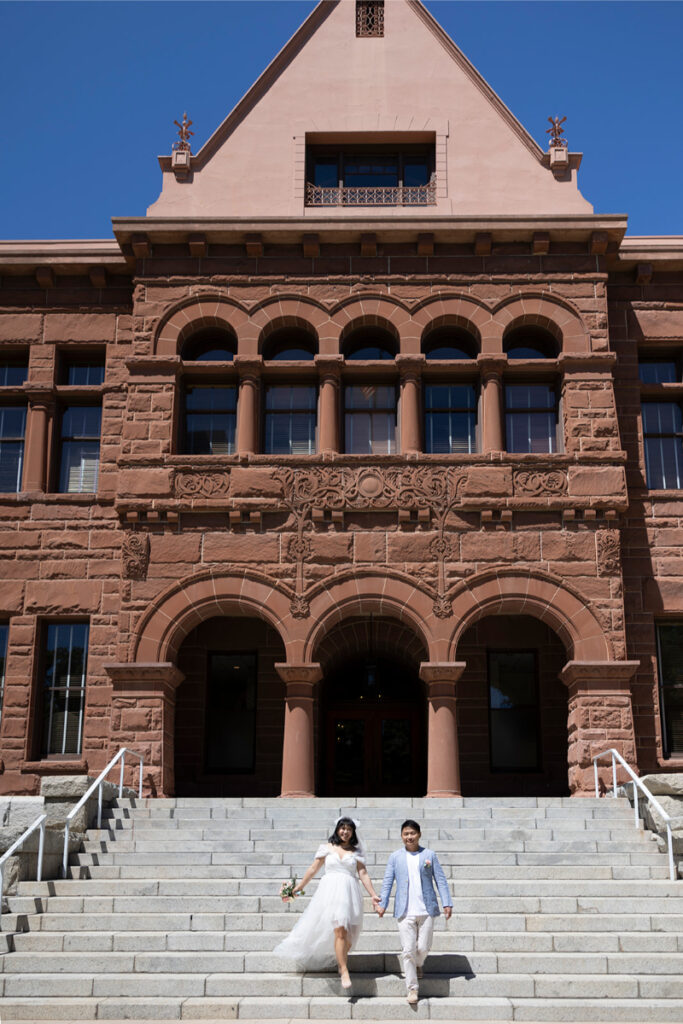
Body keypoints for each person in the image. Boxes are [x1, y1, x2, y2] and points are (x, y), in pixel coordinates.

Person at [273, 816, 382, 989]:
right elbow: (313, 868)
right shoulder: (326, 848)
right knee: (339, 929)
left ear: (353, 832)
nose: (345, 832)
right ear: (337, 829)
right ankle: (344, 969)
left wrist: (374, 894)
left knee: (348, 936)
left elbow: (363, 874)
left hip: (349, 891)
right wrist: (298, 887)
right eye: (342, 828)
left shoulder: (356, 852)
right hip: (330, 892)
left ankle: (341, 961)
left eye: (349, 829)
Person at [377, 818, 453, 1005]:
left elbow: (440, 880)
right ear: (401, 836)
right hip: (405, 910)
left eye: (412, 833)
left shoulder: (429, 855)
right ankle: (412, 988)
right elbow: (387, 882)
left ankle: (419, 964)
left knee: (423, 948)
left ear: (419, 834)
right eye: (406, 834)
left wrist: (447, 903)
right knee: (408, 950)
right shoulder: (395, 857)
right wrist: (383, 903)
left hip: (426, 909)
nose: (409, 837)